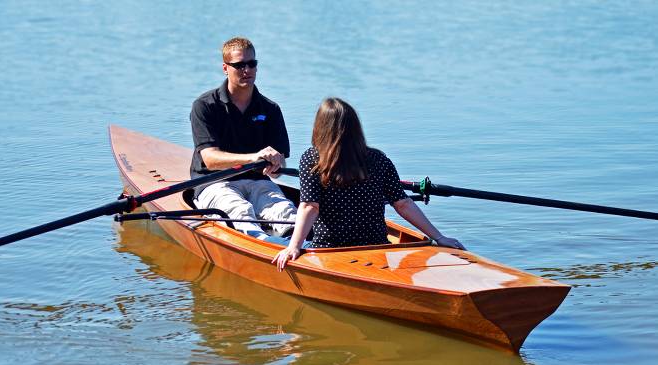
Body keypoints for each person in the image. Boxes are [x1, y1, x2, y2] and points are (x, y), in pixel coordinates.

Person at [272, 97, 465, 271]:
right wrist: (439, 237)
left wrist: (294, 247)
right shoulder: (377, 158)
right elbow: (403, 203)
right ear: (356, 129)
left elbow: (309, 206)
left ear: (319, 129)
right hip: (377, 246)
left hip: (329, 250)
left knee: (276, 237)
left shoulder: (312, 159)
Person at [190, 37, 296, 239]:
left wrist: (276, 163)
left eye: (252, 64)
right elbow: (211, 160)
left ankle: (301, 250)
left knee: (286, 213)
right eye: (239, 65)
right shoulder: (204, 106)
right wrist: (253, 158)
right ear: (225, 68)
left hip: (258, 181)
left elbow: (278, 169)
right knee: (240, 211)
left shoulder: (271, 109)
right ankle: (260, 249)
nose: (247, 70)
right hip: (214, 183)